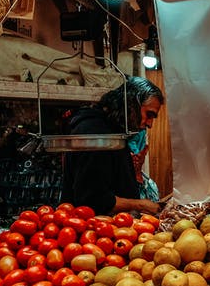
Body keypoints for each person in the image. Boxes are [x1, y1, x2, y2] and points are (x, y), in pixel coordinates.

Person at [62, 77, 164, 215]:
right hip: (93, 229)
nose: (149, 124)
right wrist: (140, 205)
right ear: (131, 105)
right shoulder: (96, 133)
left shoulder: (113, 131)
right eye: (149, 114)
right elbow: (93, 199)